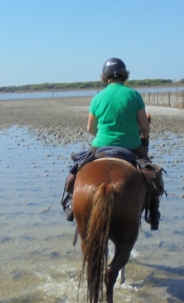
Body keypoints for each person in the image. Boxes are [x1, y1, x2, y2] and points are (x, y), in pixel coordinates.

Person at [60, 57, 160, 229]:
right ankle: (152, 213)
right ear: (124, 75)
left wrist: (105, 135)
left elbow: (90, 128)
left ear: (105, 77)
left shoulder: (98, 98)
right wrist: (140, 134)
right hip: (132, 145)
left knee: (76, 170)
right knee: (153, 176)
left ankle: (70, 203)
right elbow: (145, 128)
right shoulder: (133, 95)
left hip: (100, 144)